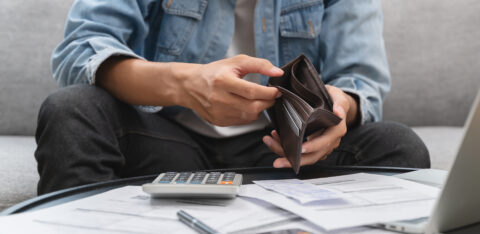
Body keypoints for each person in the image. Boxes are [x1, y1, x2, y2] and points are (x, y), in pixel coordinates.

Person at [35, 0, 430, 195]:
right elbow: (80, 49)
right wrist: (182, 84)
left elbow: (360, 78)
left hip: (281, 157)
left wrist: (340, 108)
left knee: (397, 147)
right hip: (166, 141)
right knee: (71, 111)